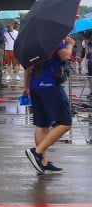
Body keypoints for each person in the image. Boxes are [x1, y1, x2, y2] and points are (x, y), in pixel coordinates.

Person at [23, 36, 73, 174]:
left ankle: (42, 162)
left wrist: (26, 86)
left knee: (42, 124)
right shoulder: (53, 39)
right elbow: (65, 56)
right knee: (65, 122)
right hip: (50, 85)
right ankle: (37, 152)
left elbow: (27, 68)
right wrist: (69, 45)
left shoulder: (30, 43)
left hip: (35, 85)